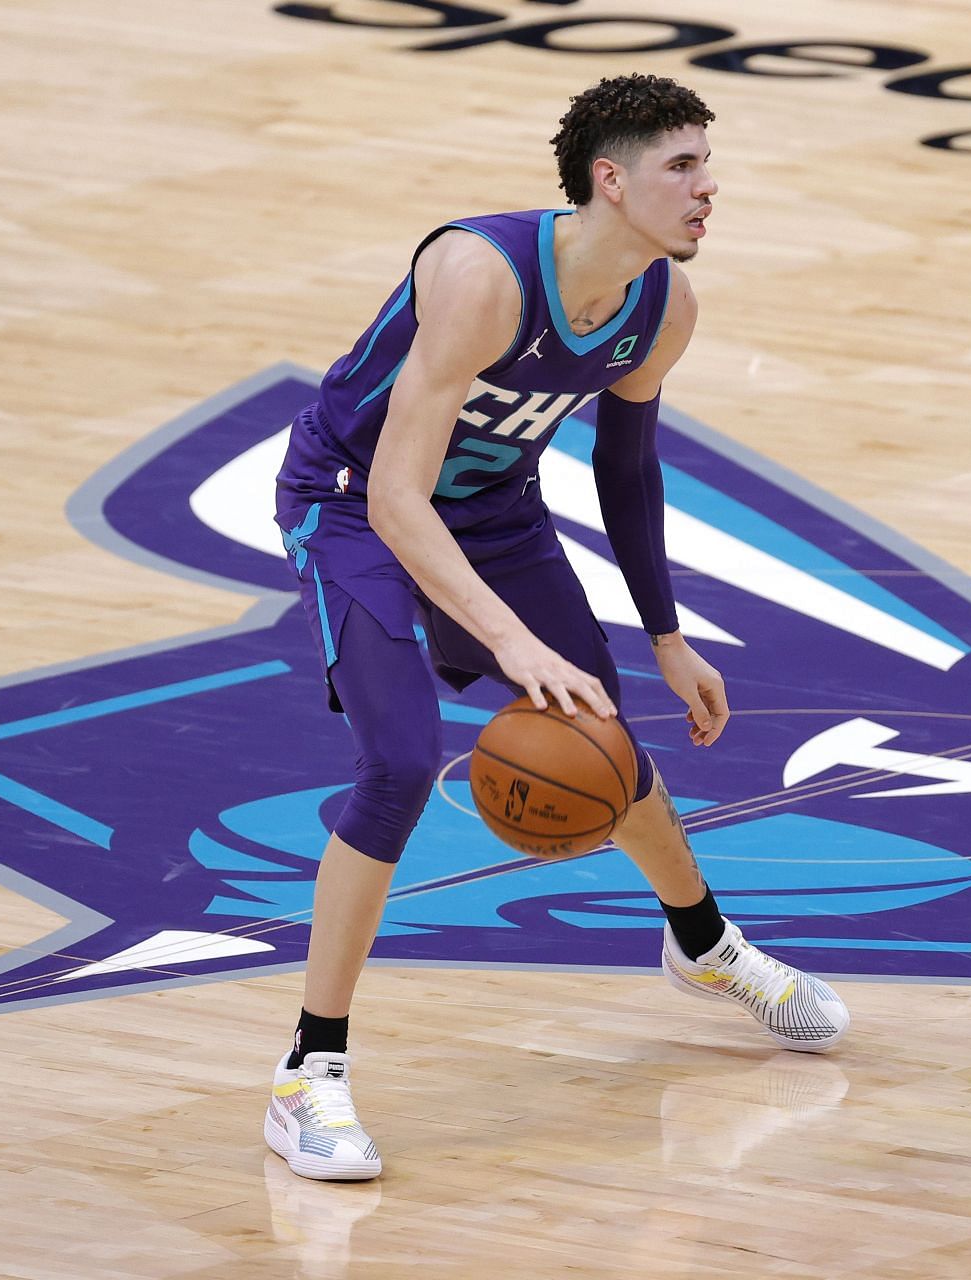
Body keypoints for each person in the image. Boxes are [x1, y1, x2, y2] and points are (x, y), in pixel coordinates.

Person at [266, 74, 849, 1184]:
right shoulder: (479, 275)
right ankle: (310, 1073)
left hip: (493, 513)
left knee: (608, 749)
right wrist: (515, 645)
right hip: (352, 501)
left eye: (707, 163)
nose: (708, 187)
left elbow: (628, 468)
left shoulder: (662, 304)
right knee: (396, 761)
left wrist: (666, 631)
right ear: (609, 179)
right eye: (682, 166)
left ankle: (705, 945)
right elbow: (396, 496)